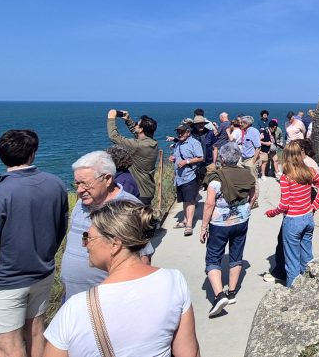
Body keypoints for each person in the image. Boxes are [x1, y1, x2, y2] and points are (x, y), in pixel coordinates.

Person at [43, 200, 201, 357]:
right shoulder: (173, 281)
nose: (85, 244)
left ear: (115, 244)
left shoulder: (75, 309)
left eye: (88, 237)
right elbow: (189, 353)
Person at [0, 130, 68, 357]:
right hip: (42, 273)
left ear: (1, 156)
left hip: (5, 281)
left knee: (7, 346)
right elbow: (60, 228)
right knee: (35, 333)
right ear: (33, 153)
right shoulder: (55, 184)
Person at [60, 151, 153, 300]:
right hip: (72, 296)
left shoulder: (129, 208)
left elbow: (143, 257)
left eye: (85, 183)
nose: (79, 190)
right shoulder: (82, 203)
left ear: (107, 179)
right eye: (77, 184)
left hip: (107, 300)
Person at [200, 143, 256, 317]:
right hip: (241, 220)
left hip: (220, 224)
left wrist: (203, 227)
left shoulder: (216, 178)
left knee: (213, 257)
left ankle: (219, 296)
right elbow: (253, 196)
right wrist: (246, 209)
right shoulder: (247, 175)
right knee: (236, 254)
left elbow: (209, 204)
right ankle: (232, 293)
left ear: (222, 159)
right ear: (238, 158)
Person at [265, 143, 319, 288]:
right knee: (307, 257)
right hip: (308, 218)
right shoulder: (310, 171)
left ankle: (294, 293)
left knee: (292, 262)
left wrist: (272, 213)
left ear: (286, 156)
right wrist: (314, 207)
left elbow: (284, 205)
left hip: (293, 222)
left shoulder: (286, 177)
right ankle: (309, 286)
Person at [106, 109, 159, 206]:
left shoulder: (138, 146)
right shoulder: (152, 143)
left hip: (140, 193)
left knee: (137, 220)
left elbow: (114, 137)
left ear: (141, 129)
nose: (136, 125)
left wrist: (111, 118)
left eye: (137, 124)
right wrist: (128, 119)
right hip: (148, 189)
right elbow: (138, 134)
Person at [170, 123, 203, 236]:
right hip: (179, 177)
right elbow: (177, 156)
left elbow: (200, 157)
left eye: (182, 132)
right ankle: (185, 220)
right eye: (178, 132)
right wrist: (173, 158)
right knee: (185, 200)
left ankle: (189, 225)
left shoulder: (194, 143)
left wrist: (186, 162)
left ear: (188, 132)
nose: (179, 134)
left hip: (190, 176)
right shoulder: (178, 144)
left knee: (190, 201)